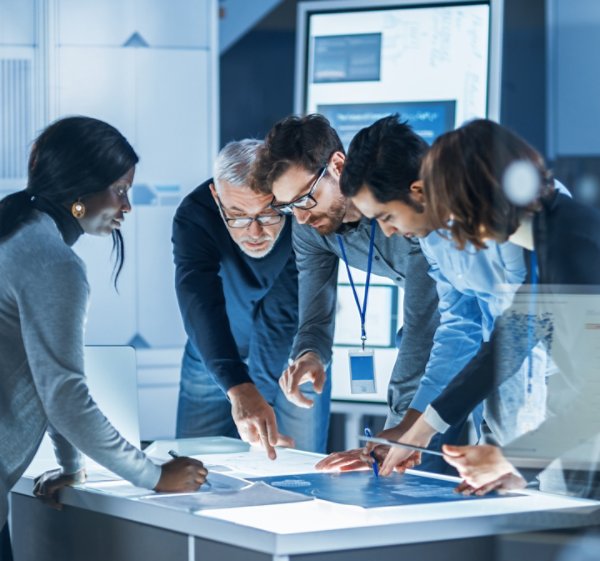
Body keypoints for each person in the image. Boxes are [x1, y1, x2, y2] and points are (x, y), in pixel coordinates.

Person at [0, 116, 207, 561]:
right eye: (119, 190)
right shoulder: (52, 260)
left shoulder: (17, 230)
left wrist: (71, 467)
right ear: (81, 191)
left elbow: (44, 373)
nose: (127, 206)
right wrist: (154, 477)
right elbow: (66, 396)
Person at [377, 119, 600, 495]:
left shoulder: (569, 247)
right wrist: (422, 429)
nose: (447, 226)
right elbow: (509, 341)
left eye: (449, 209)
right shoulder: (549, 237)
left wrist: (509, 459)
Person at [316, 114, 536, 472]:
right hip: (499, 399)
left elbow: (521, 334)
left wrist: (424, 428)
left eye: (386, 216)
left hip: (554, 396)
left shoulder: (512, 220)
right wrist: (410, 426)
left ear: (417, 191)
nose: (386, 233)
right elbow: (458, 329)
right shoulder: (433, 236)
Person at [252, 114, 464, 473]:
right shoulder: (309, 228)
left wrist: (393, 437)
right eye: (288, 208)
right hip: (457, 339)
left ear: (337, 165)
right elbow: (315, 316)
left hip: (449, 342)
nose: (301, 219)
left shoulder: (406, 211)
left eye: (305, 199)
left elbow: (424, 329)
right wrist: (310, 355)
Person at [173, 139, 331, 457]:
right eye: (238, 216)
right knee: (196, 469)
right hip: (213, 351)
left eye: (268, 214)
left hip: (291, 356)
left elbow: (284, 311)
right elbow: (199, 302)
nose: (255, 232)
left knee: (296, 470)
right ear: (217, 197)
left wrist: (258, 396)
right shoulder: (195, 215)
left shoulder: (302, 215)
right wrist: (238, 387)